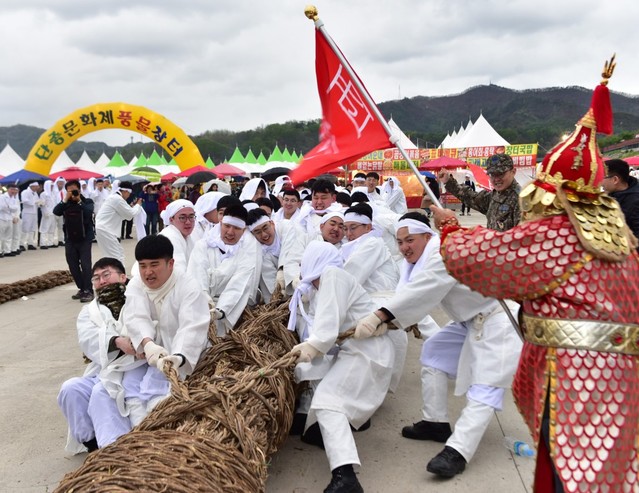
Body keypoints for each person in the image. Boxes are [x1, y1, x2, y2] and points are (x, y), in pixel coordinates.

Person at [431, 62, 639, 492]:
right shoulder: (617, 236)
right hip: (620, 368)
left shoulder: (557, 232)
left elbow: (483, 257)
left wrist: (450, 228)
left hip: (573, 370)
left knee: (574, 465)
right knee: (606, 466)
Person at [355, 212, 522, 479]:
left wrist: (380, 316)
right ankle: (435, 423)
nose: (404, 247)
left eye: (410, 240)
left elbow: (423, 290)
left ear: (427, 236)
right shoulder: (418, 262)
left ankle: (458, 451)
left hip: (498, 320)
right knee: (433, 353)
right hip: (469, 322)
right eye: (399, 242)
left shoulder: (442, 254)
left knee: (485, 388)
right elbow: (410, 295)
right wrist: (389, 321)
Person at [287, 241, 395, 493]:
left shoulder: (332, 276)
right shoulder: (325, 285)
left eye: (305, 264)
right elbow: (325, 337)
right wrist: (302, 364)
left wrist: (310, 348)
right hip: (356, 352)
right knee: (320, 418)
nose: (302, 270)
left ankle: (345, 477)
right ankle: (347, 428)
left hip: (367, 353)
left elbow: (324, 333)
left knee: (327, 403)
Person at [90, 235, 210, 447]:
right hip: (148, 355)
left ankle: (158, 437)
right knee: (130, 390)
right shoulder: (136, 284)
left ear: (170, 263)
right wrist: (148, 344)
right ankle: (137, 436)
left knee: (163, 396)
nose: (148, 272)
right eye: (143, 266)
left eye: (155, 265)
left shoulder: (188, 286)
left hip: (181, 356)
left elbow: (192, 326)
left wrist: (178, 357)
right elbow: (136, 317)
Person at [57, 257, 131, 453]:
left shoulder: (137, 299)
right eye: (96, 278)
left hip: (133, 368)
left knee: (102, 391)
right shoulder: (88, 312)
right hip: (103, 368)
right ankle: (92, 443)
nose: (102, 281)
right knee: (70, 389)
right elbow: (88, 340)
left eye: (106, 275)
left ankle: (115, 446)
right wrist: (116, 341)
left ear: (123, 277)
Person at [187, 204, 261, 335]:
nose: (230, 232)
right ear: (220, 223)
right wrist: (205, 300)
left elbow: (238, 285)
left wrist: (221, 311)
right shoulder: (203, 246)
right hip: (199, 305)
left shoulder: (246, 254)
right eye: (227, 226)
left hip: (228, 310)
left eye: (237, 228)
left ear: (243, 231)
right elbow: (197, 275)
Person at [438, 154, 520, 231]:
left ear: (513, 171)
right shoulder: (494, 196)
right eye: (492, 174)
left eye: (500, 174)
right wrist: (448, 181)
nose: (496, 179)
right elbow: (470, 197)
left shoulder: (521, 200)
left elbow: (522, 239)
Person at [247, 208, 305, 302]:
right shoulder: (258, 250)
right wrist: (279, 293)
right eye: (258, 232)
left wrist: (281, 270)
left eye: (265, 228)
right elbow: (268, 277)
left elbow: (289, 252)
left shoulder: (287, 226)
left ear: (272, 223)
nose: (264, 235)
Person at [53, 180, 96, 302]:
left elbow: (89, 212)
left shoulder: (87, 201)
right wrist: (65, 199)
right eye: (69, 190)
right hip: (70, 238)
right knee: (72, 265)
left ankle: (88, 290)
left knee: (86, 265)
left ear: (79, 189)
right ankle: (82, 288)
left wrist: (79, 201)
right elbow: (56, 211)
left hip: (85, 238)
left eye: (74, 190)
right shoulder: (65, 203)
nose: (72, 192)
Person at [95, 181, 143, 266]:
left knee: (115, 255)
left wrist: (133, 207)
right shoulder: (117, 199)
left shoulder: (115, 198)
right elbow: (130, 214)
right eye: (129, 194)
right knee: (116, 257)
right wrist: (138, 205)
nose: (128, 196)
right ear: (125, 191)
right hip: (106, 230)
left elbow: (126, 216)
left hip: (104, 229)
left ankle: (115, 276)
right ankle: (119, 277)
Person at [601, 158, 639, 248]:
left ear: (615, 180)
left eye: (602, 177)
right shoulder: (610, 196)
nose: (600, 182)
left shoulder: (635, 201)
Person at [0, 184, 21, 258]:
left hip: (9, 218)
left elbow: (15, 208)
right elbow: (2, 207)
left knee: (8, 236)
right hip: (2, 218)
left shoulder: (13, 198)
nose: (13, 191)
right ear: (8, 189)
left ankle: (7, 251)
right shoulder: (2, 197)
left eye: (15, 189)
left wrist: (9, 207)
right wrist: (10, 207)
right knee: (1, 235)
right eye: (12, 189)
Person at [20, 182, 41, 250]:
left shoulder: (35, 193)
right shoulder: (25, 192)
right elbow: (24, 200)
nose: (37, 188)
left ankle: (30, 243)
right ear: (32, 186)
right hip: (27, 213)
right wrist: (34, 202)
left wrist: (39, 203)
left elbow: (37, 200)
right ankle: (21, 244)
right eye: (36, 186)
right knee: (25, 228)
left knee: (32, 229)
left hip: (34, 212)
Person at [38, 180, 57, 249]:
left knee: (52, 228)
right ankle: (43, 243)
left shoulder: (53, 194)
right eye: (51, 186)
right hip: (47, 213)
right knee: (44, 228)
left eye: (52, 186)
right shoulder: (43, 194)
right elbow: (42, 204)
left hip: (53, 213)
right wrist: (45, 212)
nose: (52, 187)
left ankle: (50, 242)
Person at [54, 177, 67, 245]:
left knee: (61, 226)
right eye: (59, 183)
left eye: (62, 183)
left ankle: (61, 240)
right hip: (54, 211)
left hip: (62, 211)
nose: (61, 184)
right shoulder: (53, 191)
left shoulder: (65, 191)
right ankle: (53, 241)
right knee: (53, 226)